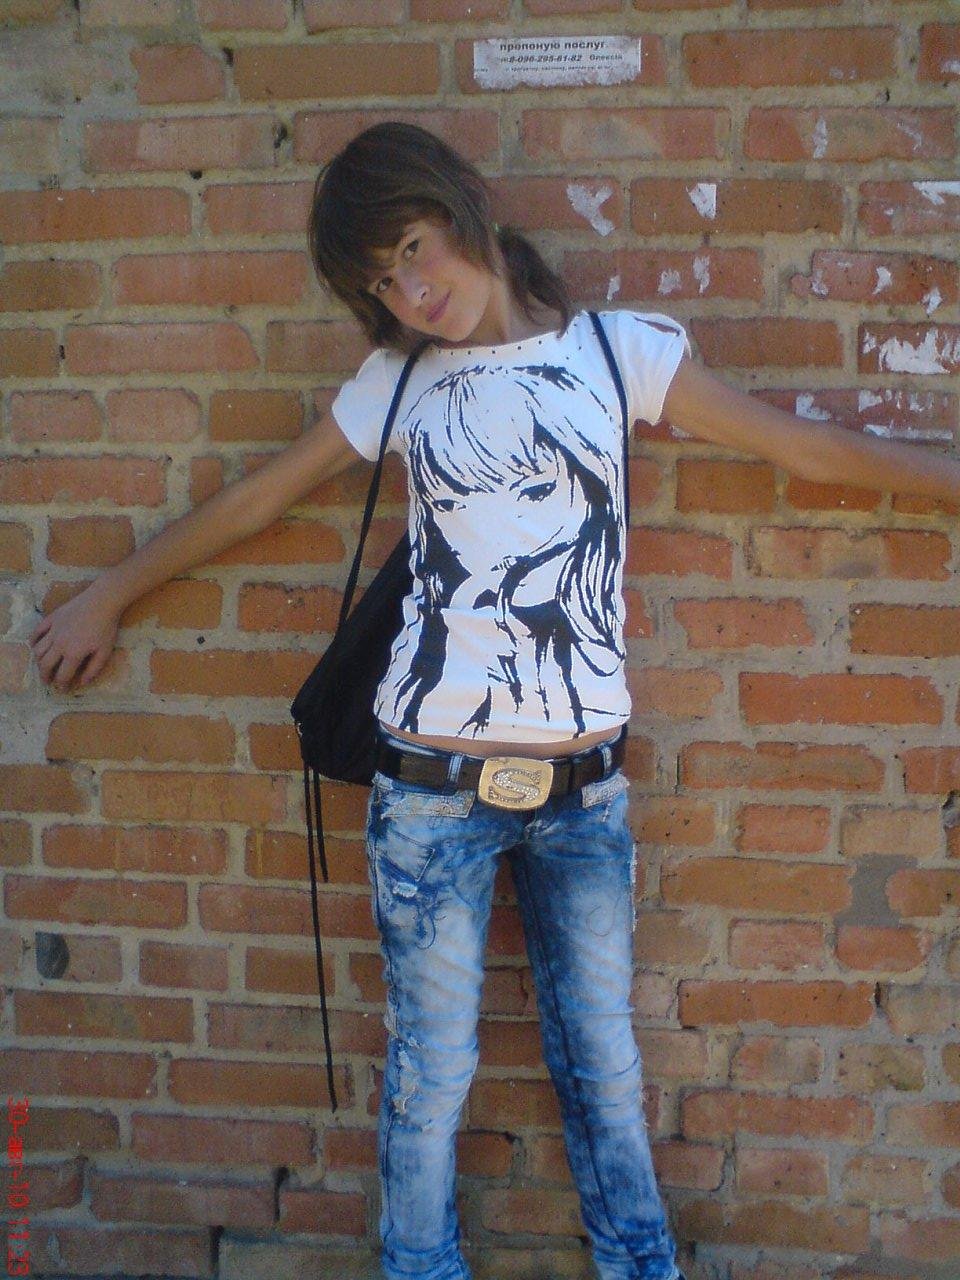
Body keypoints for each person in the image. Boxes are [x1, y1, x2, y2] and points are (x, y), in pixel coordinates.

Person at [29, 123, 960, 1280]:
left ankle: (641, 1265)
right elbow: (258, 500)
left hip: (585, 794)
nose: (414, 292)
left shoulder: (619, 354)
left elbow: (802, 451)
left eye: (416, 249)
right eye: (382, 281)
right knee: (433, 1070)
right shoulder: (400, 382)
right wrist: (111, 592)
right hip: (431, 798)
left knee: (607, 1069)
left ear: (464, 208)